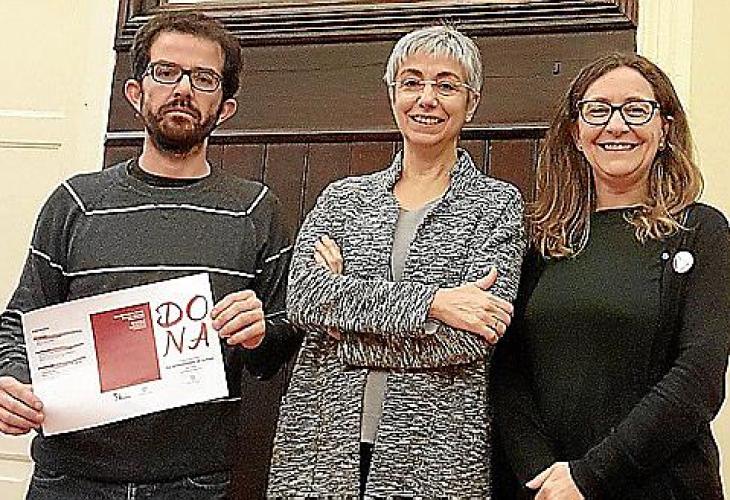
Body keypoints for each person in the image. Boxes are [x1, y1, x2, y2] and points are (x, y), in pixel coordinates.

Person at [0, 12, 299, 500]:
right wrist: (10, 378)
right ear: (136, 93)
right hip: (68, 478)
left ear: (225, 107)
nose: (183, 89)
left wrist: (262, 330)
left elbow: (284, 337)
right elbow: (20, 319)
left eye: (203, 78)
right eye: (166, 72)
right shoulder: (75, 202)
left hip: (194, 481)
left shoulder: (255, 210)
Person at [267, 25, 525, 498]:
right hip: (321, 447)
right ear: (392, 94)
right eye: (411, 82)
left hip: (435, 456)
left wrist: (344, 328)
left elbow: (470, 338)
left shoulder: (496, 204)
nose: (427, 99)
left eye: (446, 85)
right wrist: (434, 304)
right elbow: (304, 300)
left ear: (471, 102)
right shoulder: (343, 198)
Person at [493, 52, 730, 500]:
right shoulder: (542, 241)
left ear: (665, 129)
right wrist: (543, 477)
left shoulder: (702, 231)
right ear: (576, 133)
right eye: (597, 110)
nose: (616, 126)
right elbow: (507, 373)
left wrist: (589, 476)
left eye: (636, 109)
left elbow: (698, 378)